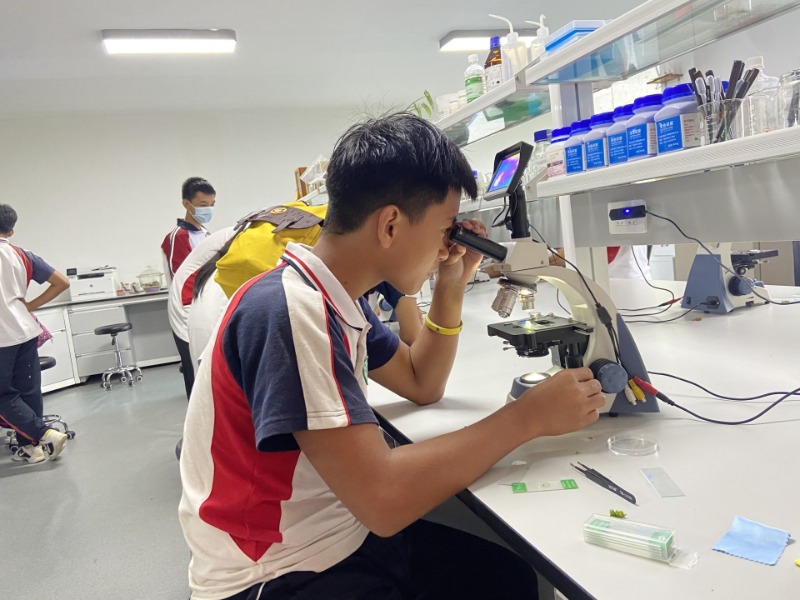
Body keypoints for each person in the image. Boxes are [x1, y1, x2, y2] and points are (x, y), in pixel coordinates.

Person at [179, 114, 604, 600]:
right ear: (390, 225)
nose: (446, 247)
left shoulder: (339, 298)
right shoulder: (289, 310)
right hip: (279, 572)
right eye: (444, 229)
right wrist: (528, 417)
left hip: (338, 531)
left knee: (509, 578)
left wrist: (450, 285)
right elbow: (382, 499)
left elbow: (422, 381)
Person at [0, 204, 71, 464]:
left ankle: (44, 434)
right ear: (11, 230)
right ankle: (32, 449)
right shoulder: (23, 255)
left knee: (3, 397)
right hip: (25, 330)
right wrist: (28, 306)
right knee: (29, 391)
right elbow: (62, 282)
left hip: (2, 338)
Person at [167, 227, 235, 400]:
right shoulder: (179, 235)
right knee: (200, 374)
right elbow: (176, 268)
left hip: (204, 290)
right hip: (188, 298)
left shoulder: (211, 233)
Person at [161, 177, 217, 282]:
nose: (209, 209)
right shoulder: (179, 237)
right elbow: (181, 277)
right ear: (186, 204)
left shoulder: (206, 233)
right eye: (203, 205)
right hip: (192, 292)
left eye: (212, 204)